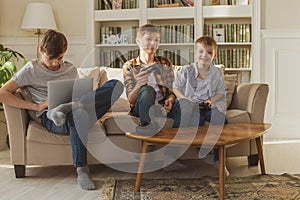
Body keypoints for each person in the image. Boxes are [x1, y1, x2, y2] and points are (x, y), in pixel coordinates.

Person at [0, 30, 124, 190]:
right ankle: (82, 171)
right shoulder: (31, 70)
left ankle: (69, 106)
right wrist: (37, 106)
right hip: (51, 117)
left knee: (116, 85)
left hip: (76, 108)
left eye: (59, 58)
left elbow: (79, 93)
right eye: (50, 58)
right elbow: (3, 93)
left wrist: (79, 100)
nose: (54, 63)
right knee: (79, 115)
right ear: (41, 51)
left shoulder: (70, 69)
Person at [122, 24, 185, 171]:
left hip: (162, 107)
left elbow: (171, 90)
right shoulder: (129, 66)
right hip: (142, 107)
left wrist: (170, 100)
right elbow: (131, 100)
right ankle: (148, 143)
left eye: (156, 40)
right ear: (138, 40)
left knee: (184, 105)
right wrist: (139, 85)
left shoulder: (165, 63)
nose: (153, 44)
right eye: (149, 39)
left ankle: (170, 158)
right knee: (147, 90)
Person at [172, 35, 229, 175]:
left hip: (208, 105)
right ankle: (199, 150)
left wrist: (212, 100)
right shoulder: (186, 70)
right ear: (195, 52)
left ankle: (218, 160)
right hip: (192, 105)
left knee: (222, 120)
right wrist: (185, 98)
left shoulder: (216, 72)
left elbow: (221, 92)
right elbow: (175, 88)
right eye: (201, 51)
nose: (205, 55)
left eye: (209, 52)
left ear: (214, 55)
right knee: (195, 122)